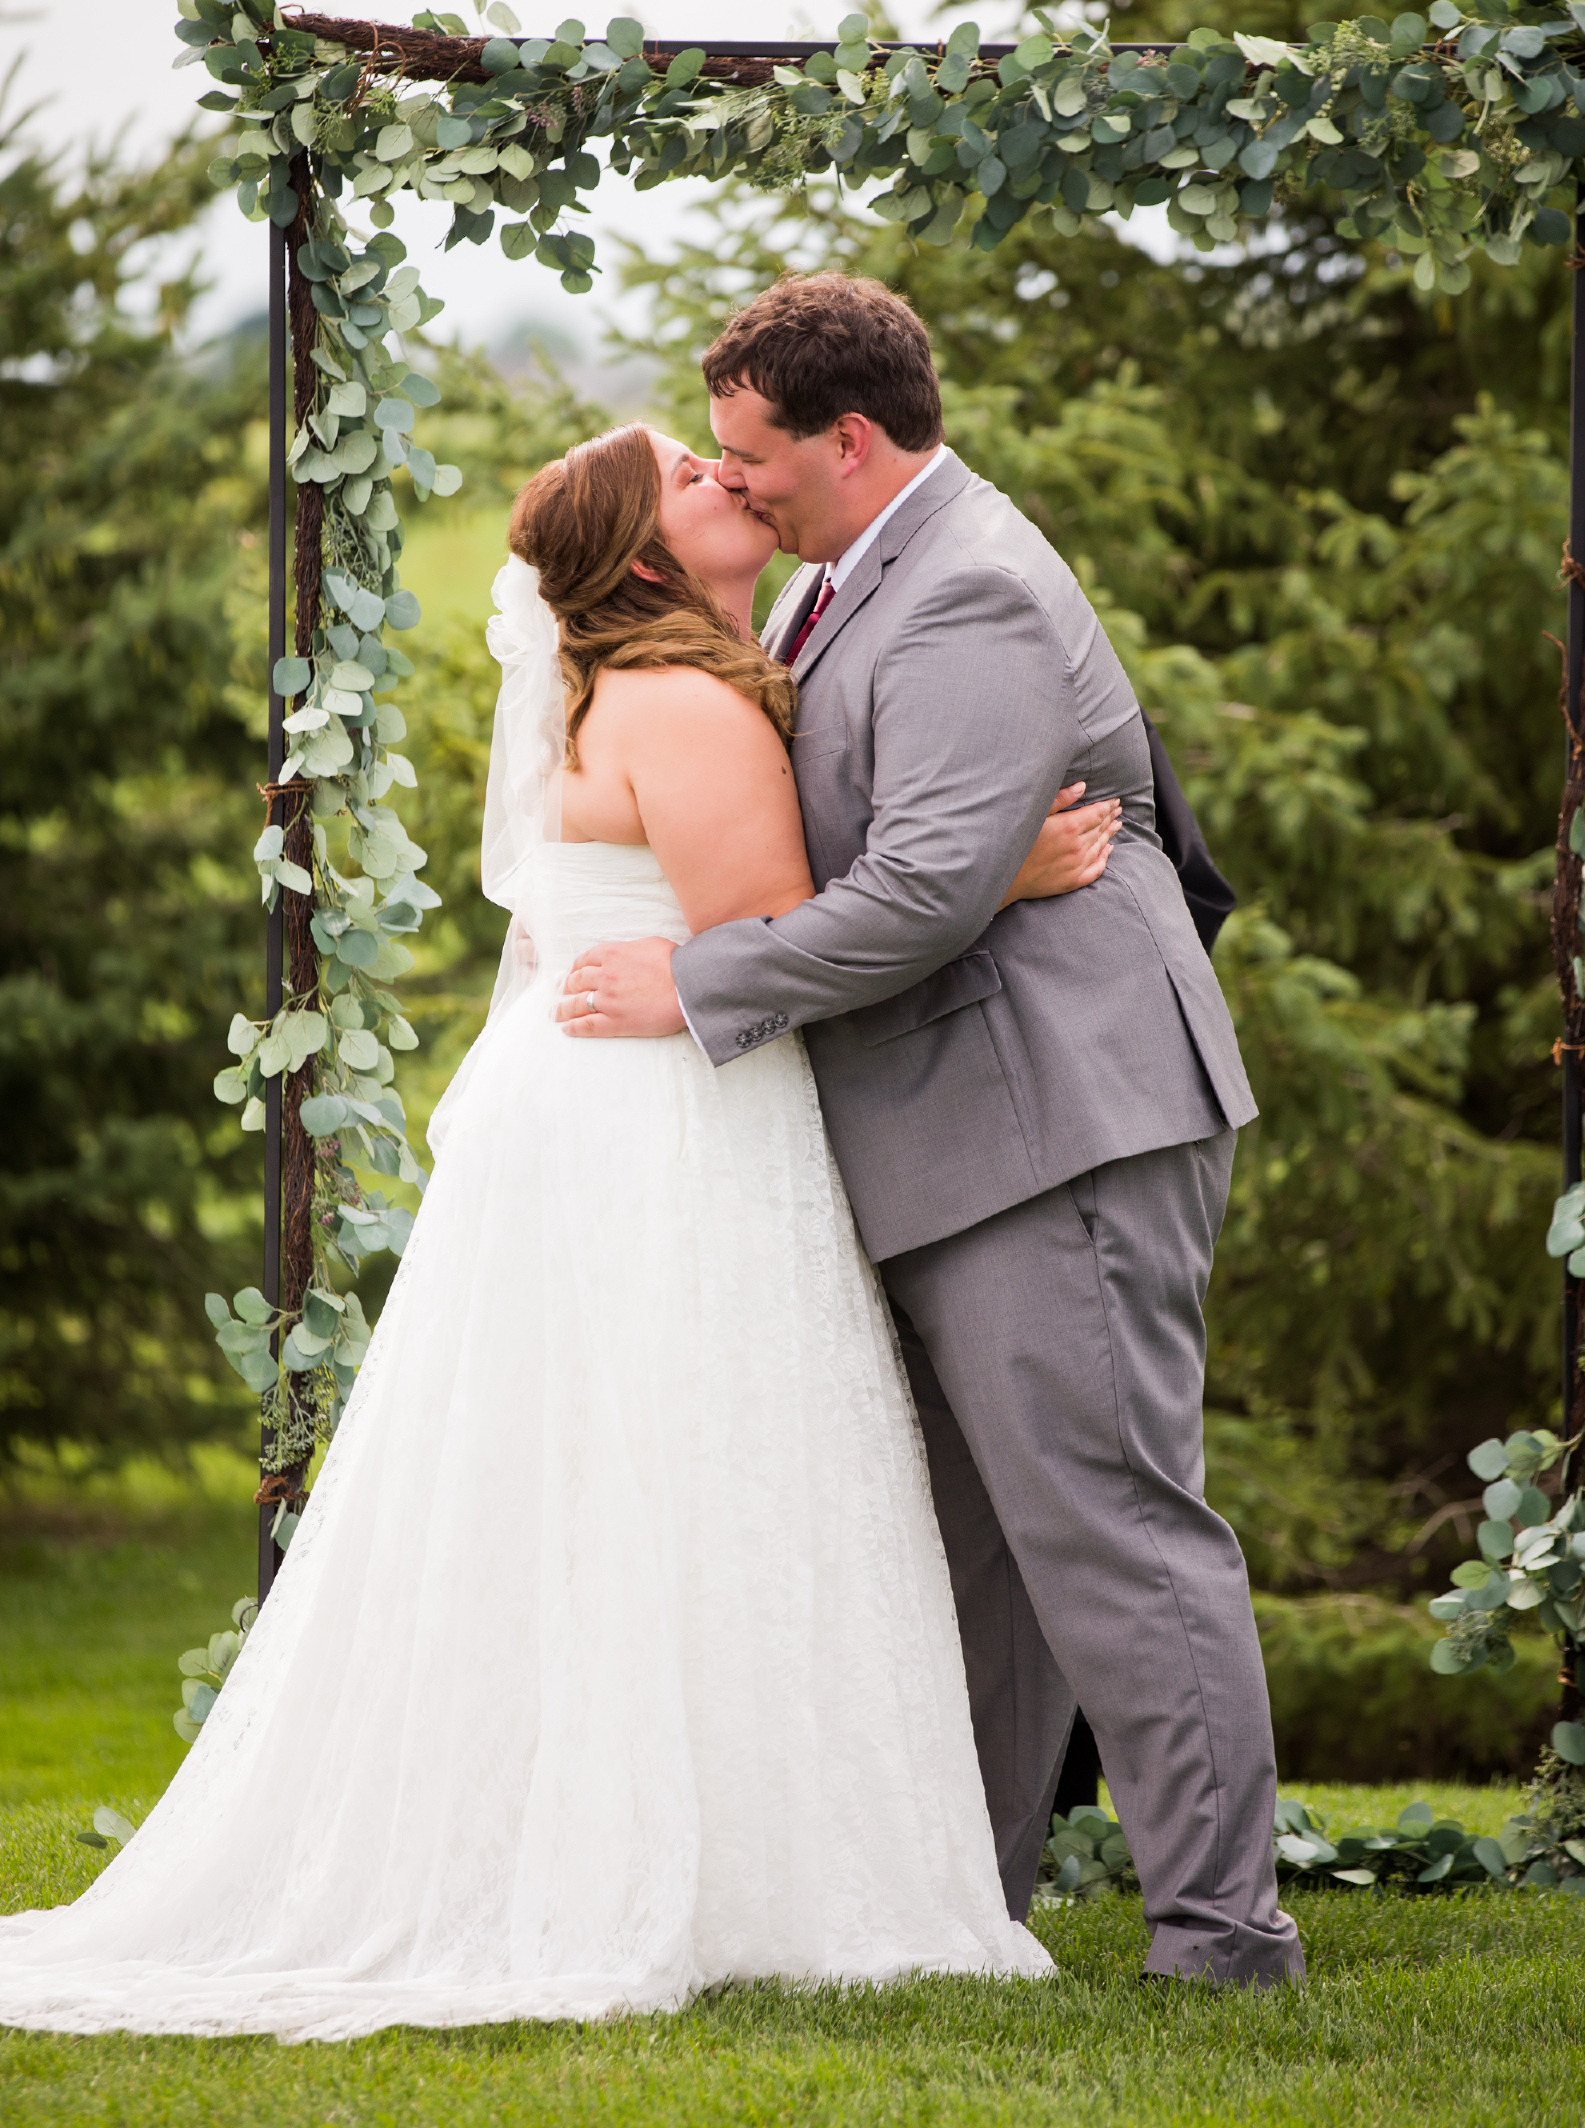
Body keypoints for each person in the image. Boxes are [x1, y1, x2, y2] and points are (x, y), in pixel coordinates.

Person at [0, 418, 1118, 2040]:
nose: (728, 479)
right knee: (702, 1461)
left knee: (595, 1471)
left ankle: (629, 1824)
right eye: (690, 476)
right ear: (647, 554)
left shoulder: (617, 692)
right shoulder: (696, 701)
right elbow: (767, 936)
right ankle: (730, 1861)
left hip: (573, 1105)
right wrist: (991, 878)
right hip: (669, 1114)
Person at [557, 273, 1305, 1990]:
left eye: (749, 454)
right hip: (965, 1123)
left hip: (1058, 1117)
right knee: (983, 1550)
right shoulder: (849, 577)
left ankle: (1221, 1938)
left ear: (853, 438)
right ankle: (960, 1915)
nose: (732, 481)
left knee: (1111, 1523)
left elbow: (910, 897)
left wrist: (700, 982)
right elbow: (918, 863)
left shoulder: (964, 588)